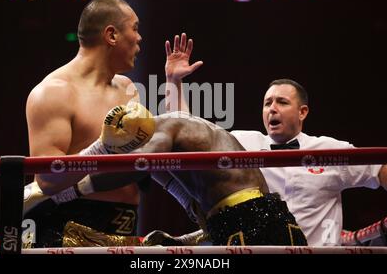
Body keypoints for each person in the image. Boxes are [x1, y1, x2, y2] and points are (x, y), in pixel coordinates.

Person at [23, 0, 203, 247]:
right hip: (66, 231)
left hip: (125, 230)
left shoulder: (126, 88)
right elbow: (47, 179)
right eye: (135, 28)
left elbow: (151, 150)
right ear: (112, 35)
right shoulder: (54, 92)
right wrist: (102, 148)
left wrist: (184, 196)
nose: (140, 38)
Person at [100, 103, 308, 246]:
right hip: (268, 217)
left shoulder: (161, 132)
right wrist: (181, 241)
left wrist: (74, 188)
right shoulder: (189, 131)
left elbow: (136, 167)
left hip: (249, 221)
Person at [229, 79, 387, 246]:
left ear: (302, 112)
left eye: (282, 102)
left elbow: (380, 168)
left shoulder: (328, 149)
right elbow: (204, 136)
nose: (272, 109)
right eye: (267, 103)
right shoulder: (243, 143)